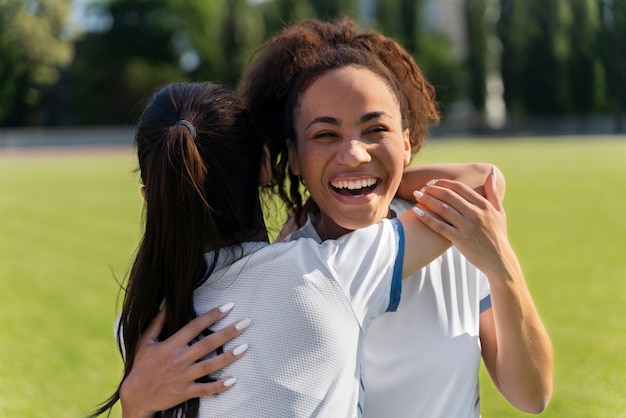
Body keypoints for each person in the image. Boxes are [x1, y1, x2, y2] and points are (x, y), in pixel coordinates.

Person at [117, 18, 553, 417]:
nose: (353, 154)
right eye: (325, 135)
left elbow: (531, 396)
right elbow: (484, 178)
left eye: (375, 130)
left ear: (407, 141)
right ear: (292, 159)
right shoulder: (298, 268)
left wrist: (503, 267)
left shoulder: (458, 233)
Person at [92, 79, 490, 418]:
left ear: (150, 196)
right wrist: (367, 177)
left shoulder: (138, 323)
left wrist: (134, 405)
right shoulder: (327, 273)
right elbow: (480, 183)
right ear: (266, 166)